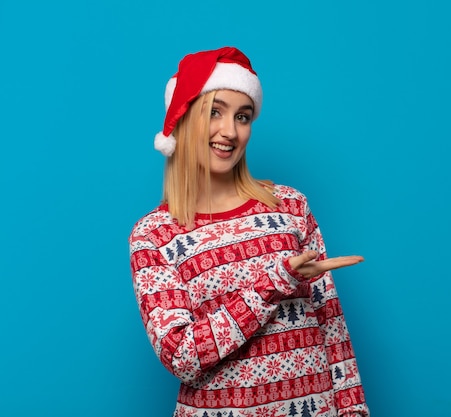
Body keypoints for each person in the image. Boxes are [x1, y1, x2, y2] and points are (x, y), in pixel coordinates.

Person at [129, 46, 370, 417]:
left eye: (243, 116)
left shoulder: (290, 206)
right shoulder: (154, 235)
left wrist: (354, 412)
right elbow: (182, 356)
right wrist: (273, 284)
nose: (230, 131)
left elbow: (331, 326)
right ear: (184, 119)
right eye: (215, 112)